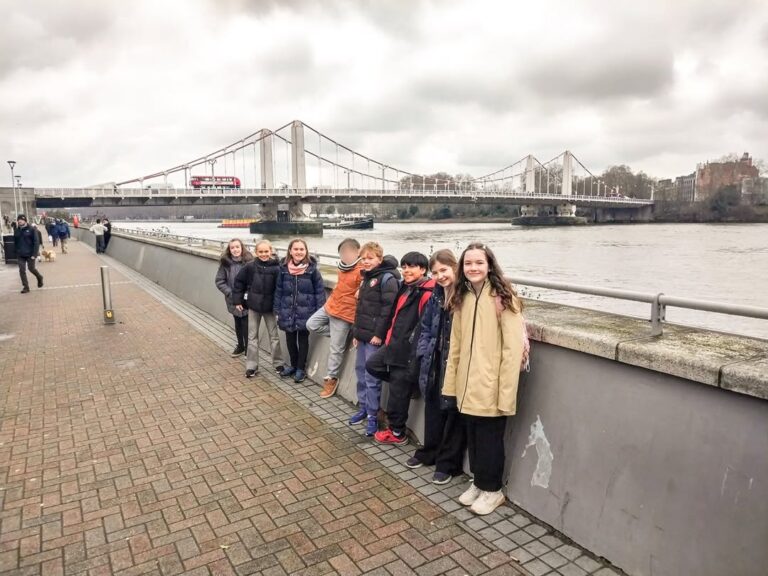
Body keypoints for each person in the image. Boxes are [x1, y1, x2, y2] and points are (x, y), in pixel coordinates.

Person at [442, 243, 526, 516]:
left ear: (489, 265)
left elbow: (512, 351)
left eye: (479, 263)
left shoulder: (503, 297)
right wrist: (451, 386)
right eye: (468, 264)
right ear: (462, 268)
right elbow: (455, 345)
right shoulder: (462, 297)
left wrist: (505, 393)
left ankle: (493, 490)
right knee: (474, 436)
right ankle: (478, 481)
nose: (473, 268)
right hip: (467, 384)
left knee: (490, 440)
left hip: (492, 384)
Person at [404, 249, 466, 485]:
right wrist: (423, 351)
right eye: (435, 272)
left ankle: (449, 463)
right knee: (433, 407)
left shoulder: (464, 296)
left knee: (453, 413)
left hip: (455, 363)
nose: (440, 276)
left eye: (444, 270)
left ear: (455, 268)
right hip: (434, 360)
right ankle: (429, 451)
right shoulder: (436, 296)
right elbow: (427, 328)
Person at [368, 252, 435, 445]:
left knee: (397, 394)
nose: (406, 271)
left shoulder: (427, 293)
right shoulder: (406, 287)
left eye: (411, 267)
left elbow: (424, 326)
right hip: (394, 344)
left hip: (407, 351)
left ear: (423, 269)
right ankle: (409, 385)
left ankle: (397, 433)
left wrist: (416, 354)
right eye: (404, 267)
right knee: (373, 365)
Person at [349, 242, 401, 436]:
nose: (366, 262)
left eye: (370, 258)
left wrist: (379, 334)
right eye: (363, 259)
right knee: (360, 371)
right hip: (362, 334)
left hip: (374, 338)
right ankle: (363, 406)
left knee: (372, 378)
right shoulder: (366, 278)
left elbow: (388, 311)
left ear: (379, 259)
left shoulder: (387, 279)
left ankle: (372, 414)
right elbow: (361, 309)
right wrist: (356, 333)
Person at [307, 238, 362, 398]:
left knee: (335, 349)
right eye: (342, 252)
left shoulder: (361, 271)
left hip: (344, 313)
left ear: (357, 251)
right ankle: (344, 336)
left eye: (349, 251)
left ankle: (331, 378)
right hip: (331, 305)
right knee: (311, 324)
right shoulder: (342, 268)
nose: (345, 255)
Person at [274, 238, 325, 383]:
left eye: (302, 249)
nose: (299, 252)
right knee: (290, 340)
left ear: (306, 251)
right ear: (290, 251)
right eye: (295, 249)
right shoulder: (283, 269)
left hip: (306, 312)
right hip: (287, 310)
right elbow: (278, 290)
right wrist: (277, 310)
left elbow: (320, 292)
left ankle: (300, 369)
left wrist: (318, 312)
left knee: (303, 341)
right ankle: (293, 365)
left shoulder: (312, 270)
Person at [232, 239, 283, 377]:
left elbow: (280, 288)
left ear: (271, 251)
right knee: (252, 336)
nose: (264, 254)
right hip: (254, 306)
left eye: (266, 251)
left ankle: (278, 364)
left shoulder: (277, 268)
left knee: (274, 337)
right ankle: (251, 366)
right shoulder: (250, 267)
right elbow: (239, 282)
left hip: (270, 308)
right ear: (256, 252)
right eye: (260, 252)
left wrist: (279, 307)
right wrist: (237, 300)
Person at [215, 238, 254, 357]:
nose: (235, 249)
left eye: (237, 247)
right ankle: (240, 345)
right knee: (238, 322)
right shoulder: (225, 264)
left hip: (246, 299)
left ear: (242, 248)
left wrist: (247, 294)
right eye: (232, 248)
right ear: (229, 249)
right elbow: (219, 281)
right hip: (232, 299)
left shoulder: (249, 262)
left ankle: (248, 348)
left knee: (246, 323)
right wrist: (230, 293)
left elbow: (253, 280)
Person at [13, 215, 43, 294]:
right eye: (18, 220)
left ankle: (39, 277)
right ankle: (26, 287)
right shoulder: (16, 230)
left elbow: (36, 242)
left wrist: (35, 254)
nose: (19, 221)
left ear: (25, 221)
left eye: (21, 220)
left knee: (31, 269)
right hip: (20, 254)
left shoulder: (32, 229)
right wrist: (16, 251)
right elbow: (15, 242)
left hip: (30, 254)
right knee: (22, 270)